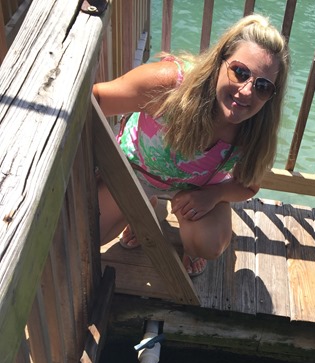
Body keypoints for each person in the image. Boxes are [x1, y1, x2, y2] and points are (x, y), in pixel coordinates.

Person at [94, 14, 289, 277]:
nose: (246, 91)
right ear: (219, 62)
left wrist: (213, 196)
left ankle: (181, 238)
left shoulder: (256, 128)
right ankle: (144, 208)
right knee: (92, 232)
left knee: (209, 243)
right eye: (240, 72)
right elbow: (95, 100)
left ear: (271, 96)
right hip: (134, 172)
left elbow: (250, 185)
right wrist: (91, 160)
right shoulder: (169, 84)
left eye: (263, 86)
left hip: (196, 189)